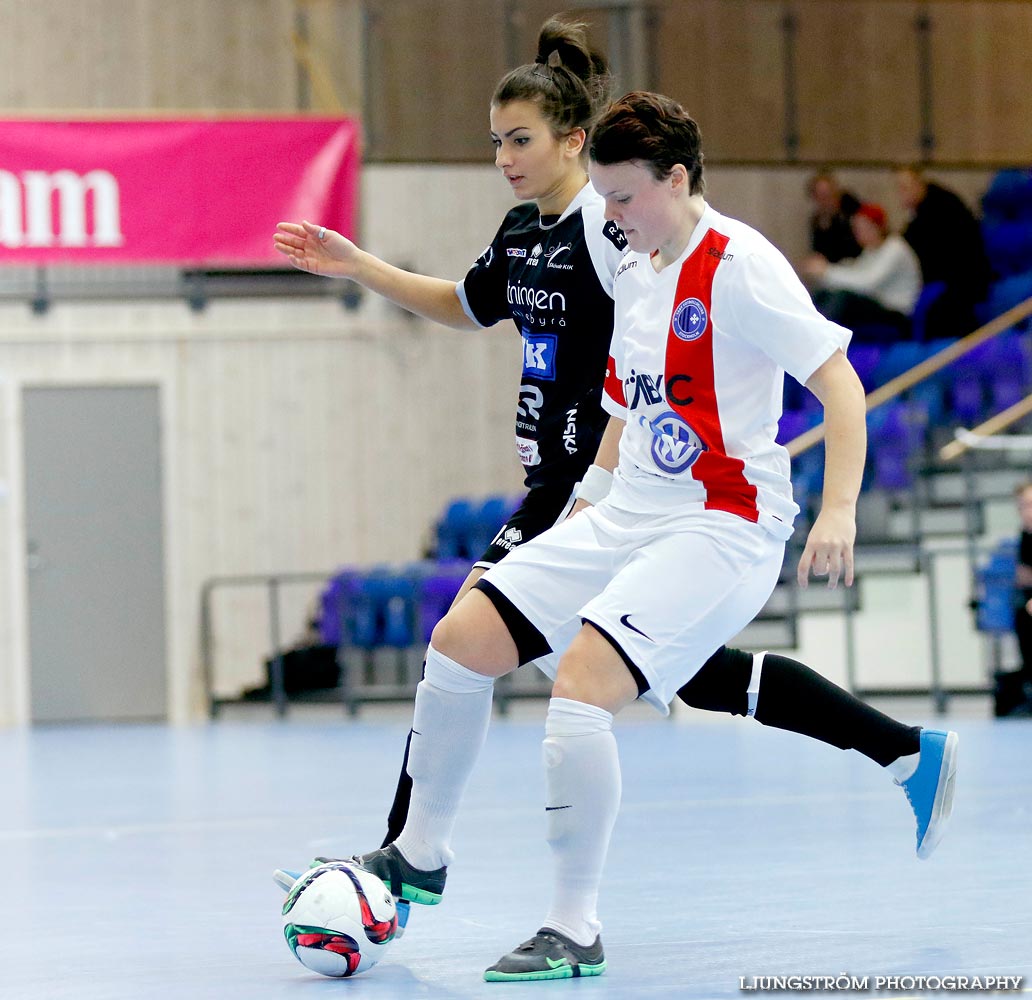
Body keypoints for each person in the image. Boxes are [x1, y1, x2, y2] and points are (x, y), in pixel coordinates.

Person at [321, 92, 958, 983]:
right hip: (628, 512)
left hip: (723, 524)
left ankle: (573, 927)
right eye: (606, 201)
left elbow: (841, 387)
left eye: (622, 198)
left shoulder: (740, 265)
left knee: (583, 683)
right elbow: (624, 409)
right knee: (460, 638)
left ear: (677, 179)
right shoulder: (639, 264)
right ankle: (419, 853)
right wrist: (590, 506)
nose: (609, 216)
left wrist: (840, 508)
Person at [803, 202, 922, 342]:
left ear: (877, 228)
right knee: (823, 294)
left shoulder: (895, 248)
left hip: (897, 313)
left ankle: (818, 340)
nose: (858, 234)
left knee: (842, 298)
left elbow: (867, 282)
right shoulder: (870, 251)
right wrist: (826, 271)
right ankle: (809, 333)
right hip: (879, 305)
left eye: (862, 229)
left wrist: (827, 271)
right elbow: (855, 273)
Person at [895, 165, 991, 338]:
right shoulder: (917, 216)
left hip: (963, 280)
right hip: (944, 281)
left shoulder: (944, 207)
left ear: (919, 184)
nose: (902, 194)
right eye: (899, 189)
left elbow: (950, 255)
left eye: (906, 188)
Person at [1006, 481, 1032, 715]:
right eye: (1022, 506)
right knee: (1022, 613)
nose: (1027, 511)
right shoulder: (1025, 535)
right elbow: (1023, 576)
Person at [806, 170, 861, 263]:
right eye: (819, 195)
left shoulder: (852, 211)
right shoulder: (817, 220)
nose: (824, 199)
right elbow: (819, 250)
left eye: (827, 193)